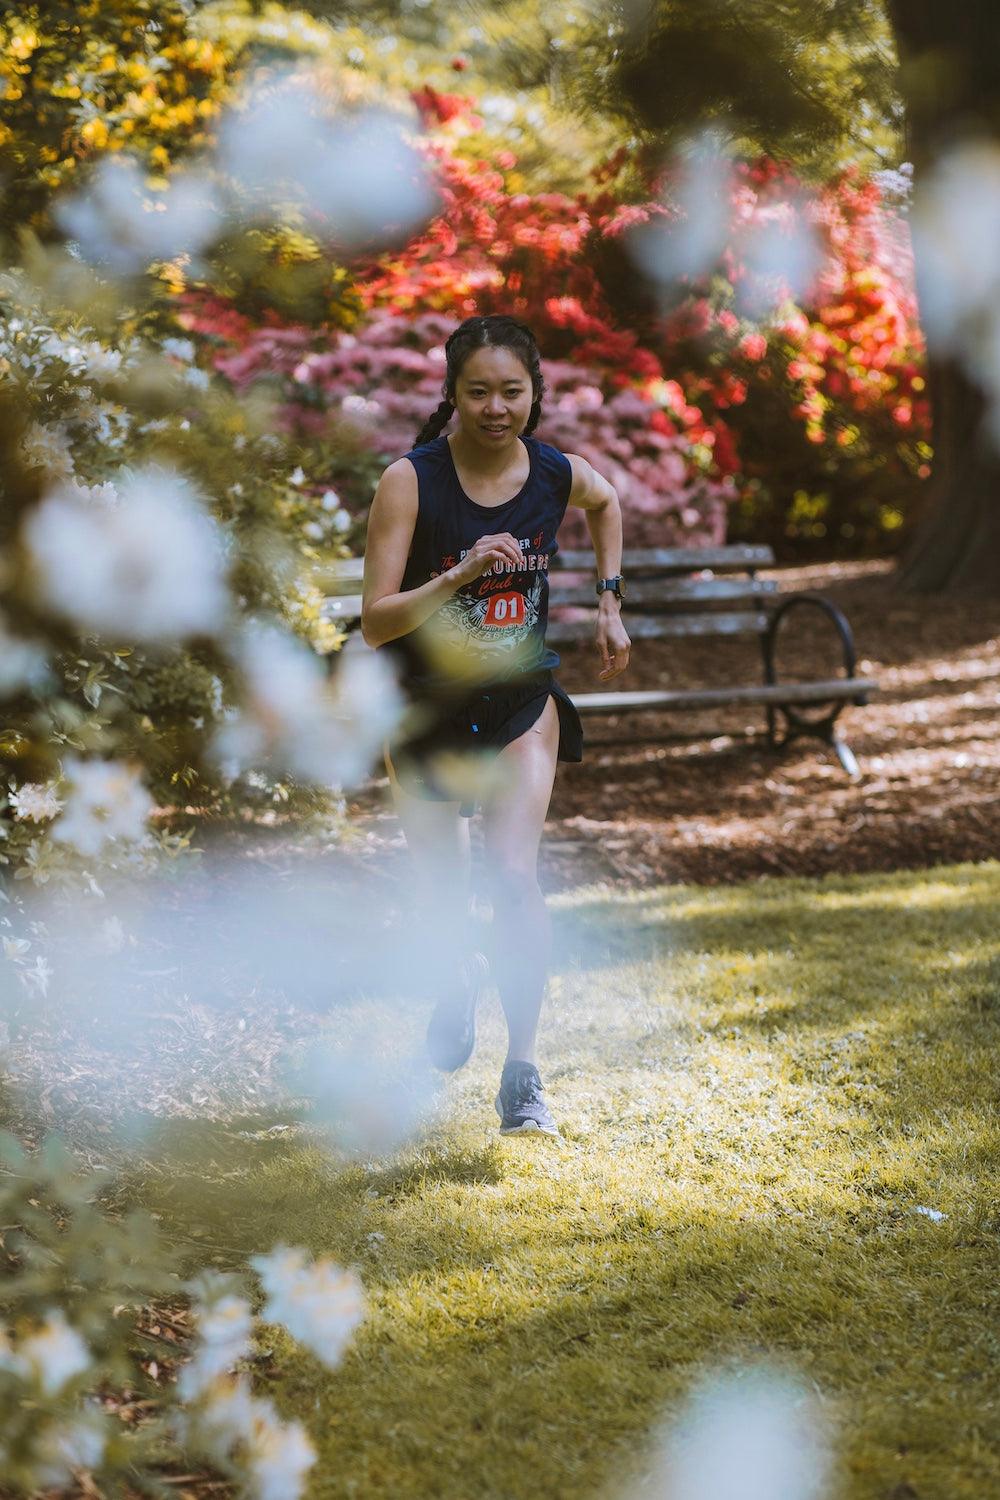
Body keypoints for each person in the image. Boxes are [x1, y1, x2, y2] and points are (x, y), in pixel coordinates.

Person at [361, 314, 630, 1137]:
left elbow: (608, 498)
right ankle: (455, 979)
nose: (494, 407)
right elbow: (376, 623)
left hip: (519, 705)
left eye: (511, 391)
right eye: (477, 391)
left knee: (513, 879)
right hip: (425, 712)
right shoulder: (410, 481)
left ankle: (523, 1074)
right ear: (451, 395)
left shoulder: (553, 473)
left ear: (534, 394)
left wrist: (610, 605)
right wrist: (464, 572)